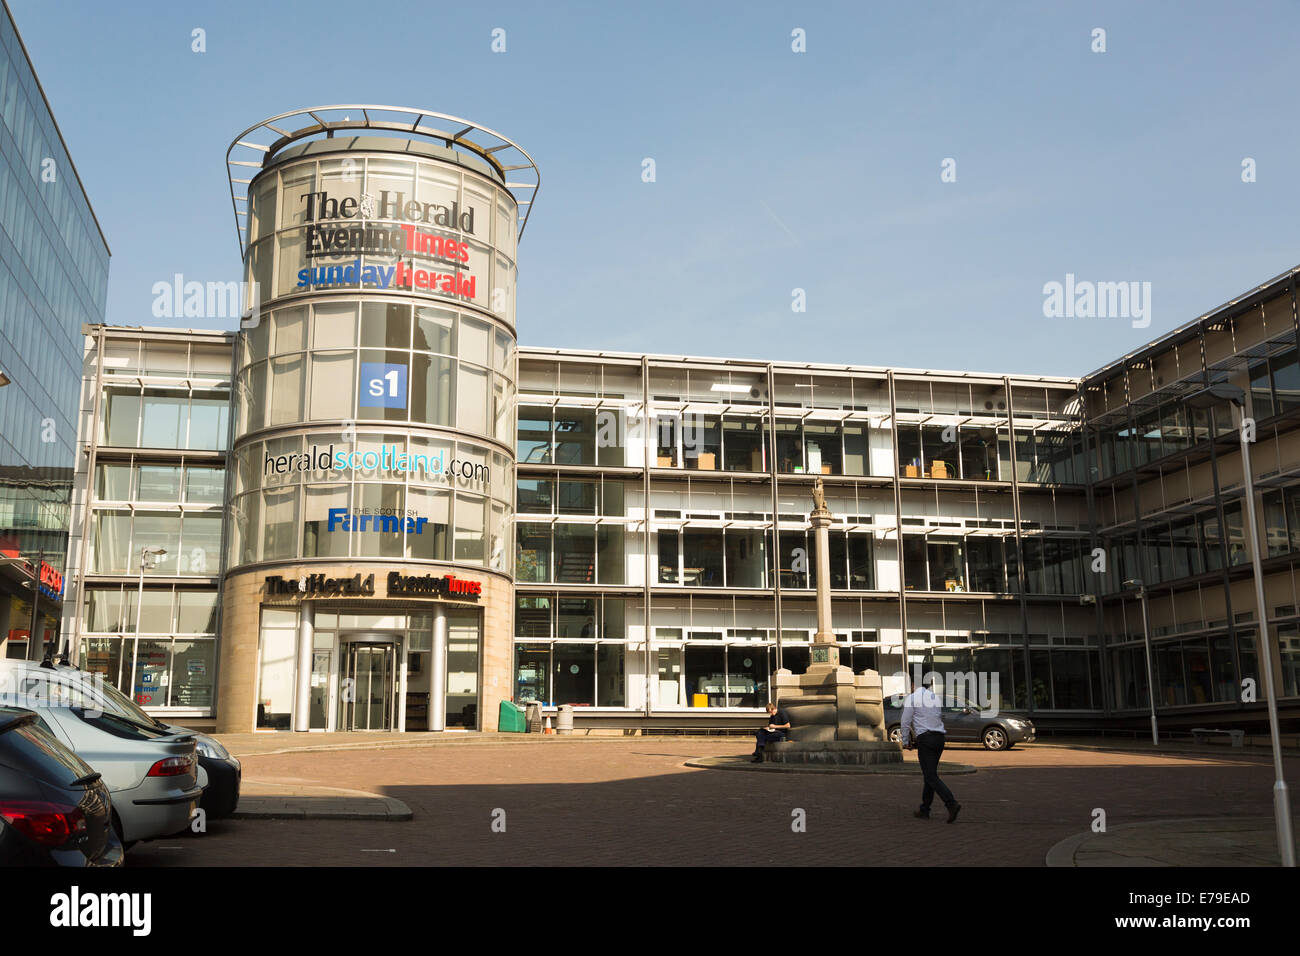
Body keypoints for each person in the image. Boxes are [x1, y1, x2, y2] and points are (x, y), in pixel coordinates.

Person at [899, 675, 961, 822]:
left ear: (914, 684)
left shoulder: (913, 698)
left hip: (926, 739)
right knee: (930, 775)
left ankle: (951, 803)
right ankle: (925, 809)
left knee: (931, 776)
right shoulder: (934, 698)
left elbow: (905, 721)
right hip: (939, 738)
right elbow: (937, 716)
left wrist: (906, 741)